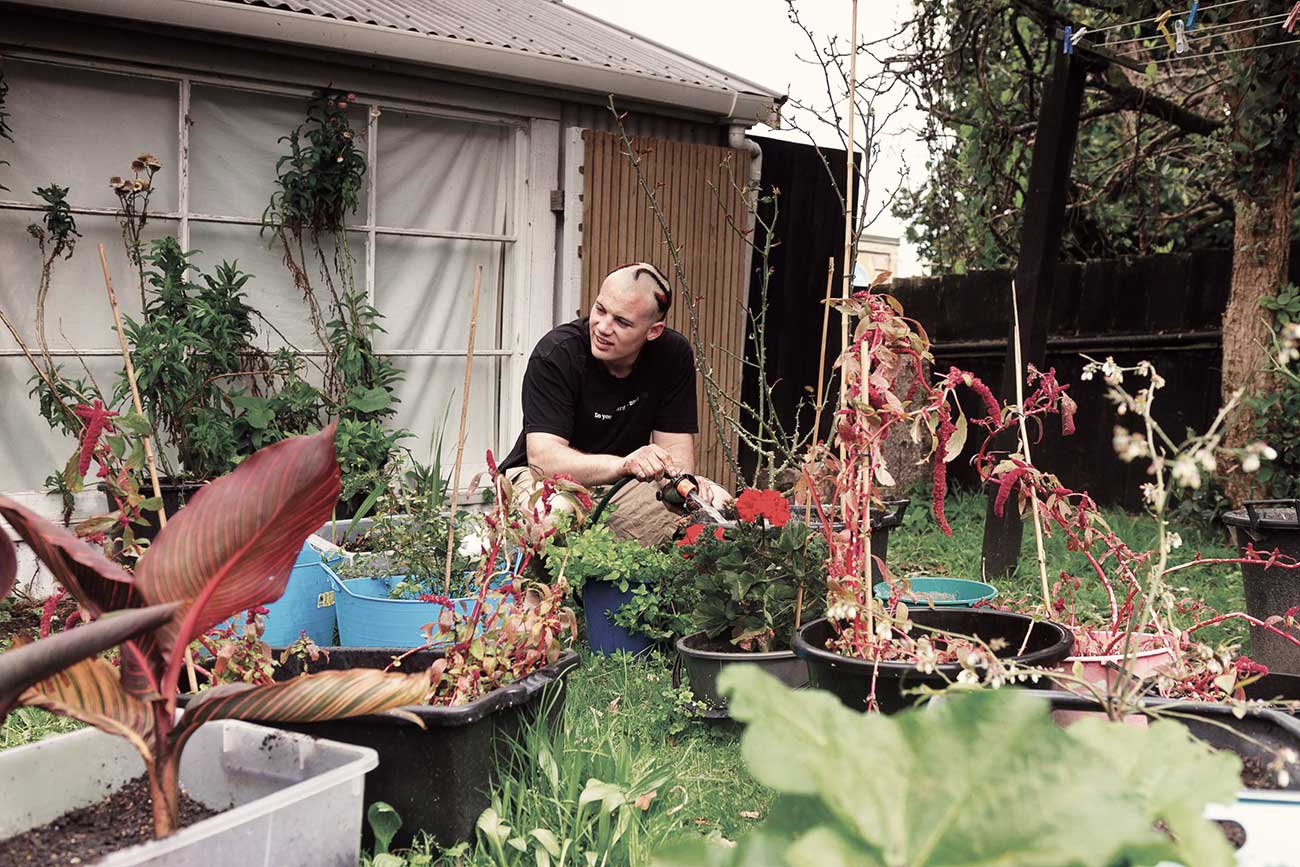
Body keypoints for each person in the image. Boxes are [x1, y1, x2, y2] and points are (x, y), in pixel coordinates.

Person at [499, 262, 730, 546]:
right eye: (600, 310)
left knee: (717, 504)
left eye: (622, 322)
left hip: (621, 484)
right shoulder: (558, 354)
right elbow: (543, 459)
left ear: (653, 331)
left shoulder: (672, 354)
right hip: (545, 480)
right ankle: (541, 590)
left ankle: (663, 588)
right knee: (553, 514)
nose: (603, 327)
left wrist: (682, 484)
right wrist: (623, 464)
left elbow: (674, 453)